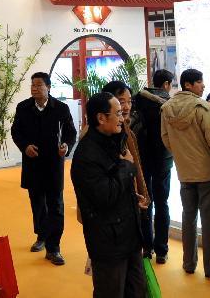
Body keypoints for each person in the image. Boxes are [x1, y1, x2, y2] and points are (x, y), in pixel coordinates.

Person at [71, 92, 147, 298]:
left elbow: (116, 185)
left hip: (129, 236)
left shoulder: (114, 140)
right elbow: (104, 196)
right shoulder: (86, 155)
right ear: (101, 118)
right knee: (111, 291)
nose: (123, 118)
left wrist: (132, 198)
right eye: (118, 113)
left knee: (137, 290)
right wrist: (127, 167)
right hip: (108, 243)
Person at [161, 68, 210, 278]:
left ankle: (188, 263)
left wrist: (182, 156)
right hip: (207, 173)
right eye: (200, 82)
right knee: (209, 220)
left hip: (184, 172)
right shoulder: (201, 107)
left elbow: (166, 139)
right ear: (189, 85)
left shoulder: (166, 108)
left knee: (188, 217)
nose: (204, 86)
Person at [10, 72, 77, 265]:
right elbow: (16, 132)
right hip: (32, 163)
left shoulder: (61, 109)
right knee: (37, 203)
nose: (35, 88)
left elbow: (71, 133)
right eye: (32, 85)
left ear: (48, 87)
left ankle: (54, 248)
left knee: (56, 205)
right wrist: (25, 146)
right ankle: (41, 236)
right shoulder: (23, 108)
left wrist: (66, 145)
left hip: (54, 164)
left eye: (39, 85)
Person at [131, 69, 174, 264]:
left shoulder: (137, 99)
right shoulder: (168, 103)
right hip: (163, 157)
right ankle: (162, 250)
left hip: (141, 156)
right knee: (162, 203)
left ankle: (146, 248)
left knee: (145, 202)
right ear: (166, 84)